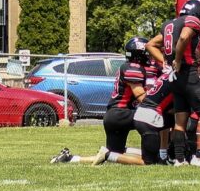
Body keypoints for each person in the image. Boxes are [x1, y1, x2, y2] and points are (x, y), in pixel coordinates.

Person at [51, 37, 149, 166]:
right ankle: (163, 152)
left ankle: (71, 159)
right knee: (155, 119)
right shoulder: (133, 67)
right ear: (139, 54)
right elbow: (140, 95)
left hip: (114, 115)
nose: (149, 55)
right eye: (147, 52)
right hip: (122, 114)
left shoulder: (128, 66)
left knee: (113, 154)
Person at [146, 0, 200, 167]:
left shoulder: (169, 24)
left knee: (180, 117)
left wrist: (165, 61)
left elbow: (150, 44)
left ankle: (179, 159)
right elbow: (184, 37)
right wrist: (176, 59)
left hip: (174, 77)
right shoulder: (192, 20)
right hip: (187, 72)